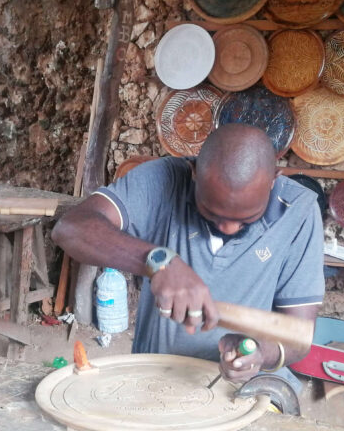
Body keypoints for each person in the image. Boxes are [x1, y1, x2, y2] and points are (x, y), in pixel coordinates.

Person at [52, 124, 323, 387]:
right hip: (154, 378)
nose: (226, 227)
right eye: (212, 213)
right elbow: (70, 229)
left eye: (246, 219)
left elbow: (298, 337)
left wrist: (259, 354)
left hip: (242, 389)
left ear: (273, 180)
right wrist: (157, 260)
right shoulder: (163, 179)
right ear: (194, 172)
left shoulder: (298, 210)